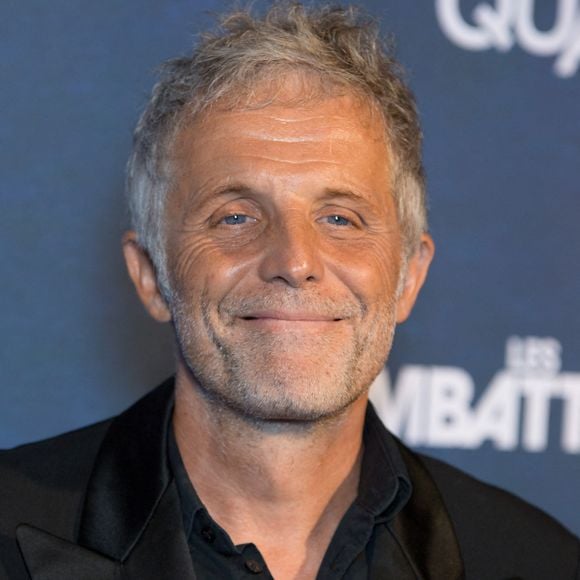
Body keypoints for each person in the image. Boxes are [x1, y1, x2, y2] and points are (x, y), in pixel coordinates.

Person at [1, 3, 578, 579]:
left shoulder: (537, 562)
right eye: (235, 217)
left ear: (408, 277)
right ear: (151, 274)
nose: (295, 261)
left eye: (340, 219)